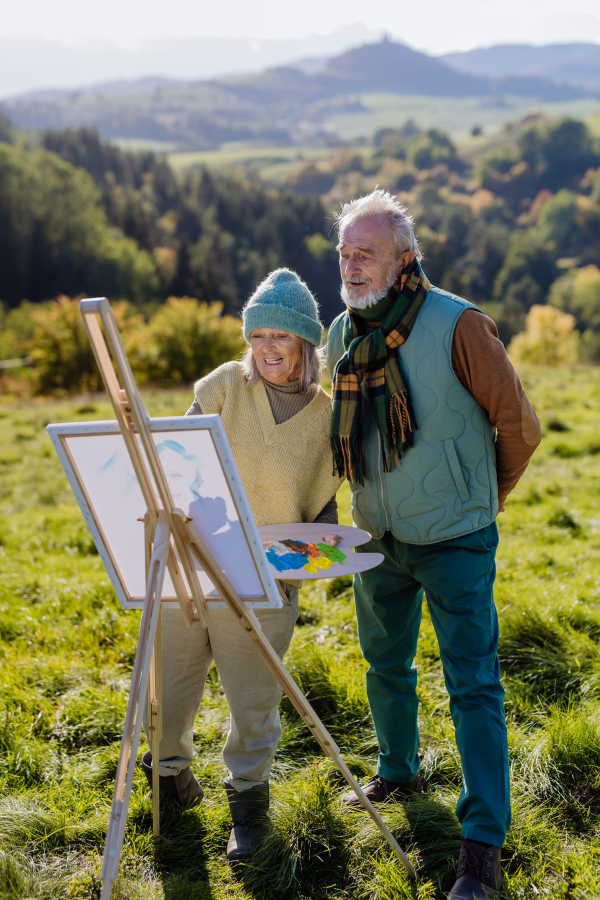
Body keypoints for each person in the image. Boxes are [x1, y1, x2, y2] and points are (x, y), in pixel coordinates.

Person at [326, 189, 541, 900]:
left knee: (474, 685)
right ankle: (397, 767)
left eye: (368, 252)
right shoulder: (342, 333)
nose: (353, 265)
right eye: (345, 252)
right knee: (384, 663)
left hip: (456, 540)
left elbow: (519, 424)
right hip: (377, 535)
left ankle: (482, 843)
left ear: (404, 257)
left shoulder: (458, 325)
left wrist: (479, 504)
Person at [142, 268, 343, 866]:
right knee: (170, 686)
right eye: (258, 336)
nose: (267, 348)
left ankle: (248, 802)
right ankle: (170, 775)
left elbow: (324, 510)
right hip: (192, 565)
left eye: (282, 336)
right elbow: (174, 457)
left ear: (306, 344)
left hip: (263, 582)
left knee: (253, 701)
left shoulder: (325, 418)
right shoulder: (227, 385)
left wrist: (305, 566)